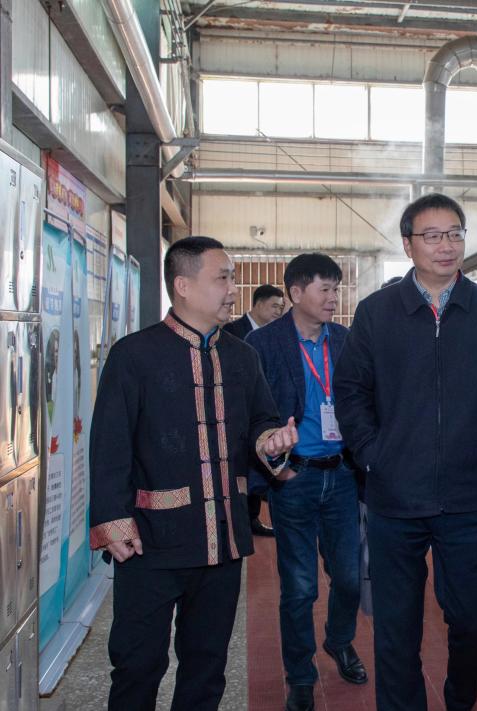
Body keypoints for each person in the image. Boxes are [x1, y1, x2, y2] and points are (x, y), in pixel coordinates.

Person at [334, 193, 477, 711]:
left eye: (454, 234)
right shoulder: (378, 313)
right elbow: (351, 392)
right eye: (432, 236)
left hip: (468, 497)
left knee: (471, 618)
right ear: (408, 245)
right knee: (396, 626)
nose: (446, 245)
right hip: (394, 497)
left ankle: (458, 699)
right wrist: (373, 454)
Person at [89, 236, 298, 711]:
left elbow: (262, 421)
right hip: (150, 542)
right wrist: (112, 520)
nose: (232, 290)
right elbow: (109, 445)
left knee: (206, 667)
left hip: (223, 540)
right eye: (222, 278)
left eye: (232, 279)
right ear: (182, 285)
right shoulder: (135, 355)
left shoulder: (242, 356)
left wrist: (271, 442)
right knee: (138, 665)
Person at [246, 254, 365, 711]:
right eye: (325, 289)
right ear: (296, 293)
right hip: (293, 478)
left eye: (337, 289)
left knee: (349, 577)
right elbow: (250, 415)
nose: (334, 298)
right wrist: (276, 469)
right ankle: (300, 674)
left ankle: (339, 640)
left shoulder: (345, 340)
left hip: (342, 475)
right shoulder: (264, 344)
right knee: (299, 587)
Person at [223, 283, 286, 537]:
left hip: (264, 411)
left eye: (281, 308)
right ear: (258, 304)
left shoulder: (276, 335)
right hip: (239, 412)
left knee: (257, 469)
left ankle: (252, 518)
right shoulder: (231, 331)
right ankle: (240, 521)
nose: (278, 312)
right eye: (274, 306)